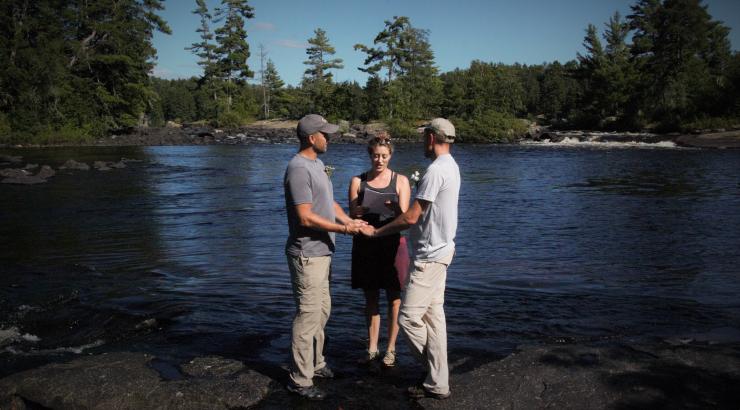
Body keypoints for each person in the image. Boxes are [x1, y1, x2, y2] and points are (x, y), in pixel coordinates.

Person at [360, 118, 460, 400]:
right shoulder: (451, 166)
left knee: (408, 318)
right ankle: (438, 382)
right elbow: (424, 214)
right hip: (442, 251)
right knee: (433, 317)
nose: (422, 142)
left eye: (423, 137)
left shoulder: (436, 171)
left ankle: (436, 371)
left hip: (429, 257)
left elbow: (413, 216)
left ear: (431, 138)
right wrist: (398, 212)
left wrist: (378, 232)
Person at [284, 114, 366, 400]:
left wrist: (350, 220)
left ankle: (316, 364)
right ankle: (299, 379)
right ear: (311, 138)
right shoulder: (298, 169)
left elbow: (327, 202)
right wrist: (344, 229)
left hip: (322, 254)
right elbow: (305, 217)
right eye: (325, 134)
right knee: (307, 317)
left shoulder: (317, 165)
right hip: (307, 254)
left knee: (322, 311)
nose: (329, 138)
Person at [348, 132, 411, 367]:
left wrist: (395, 208)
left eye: (384, 156)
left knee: (394, 298)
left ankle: (391, 349)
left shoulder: (401, 181)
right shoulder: (358, 181)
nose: (380, 160)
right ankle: (372, 347)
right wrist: (358, 211)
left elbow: (405, 218)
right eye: (375, 156)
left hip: (393, 243)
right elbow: (351, 214)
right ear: (370, 156)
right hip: (366, 242)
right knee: (371, 296)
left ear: (390, 156)